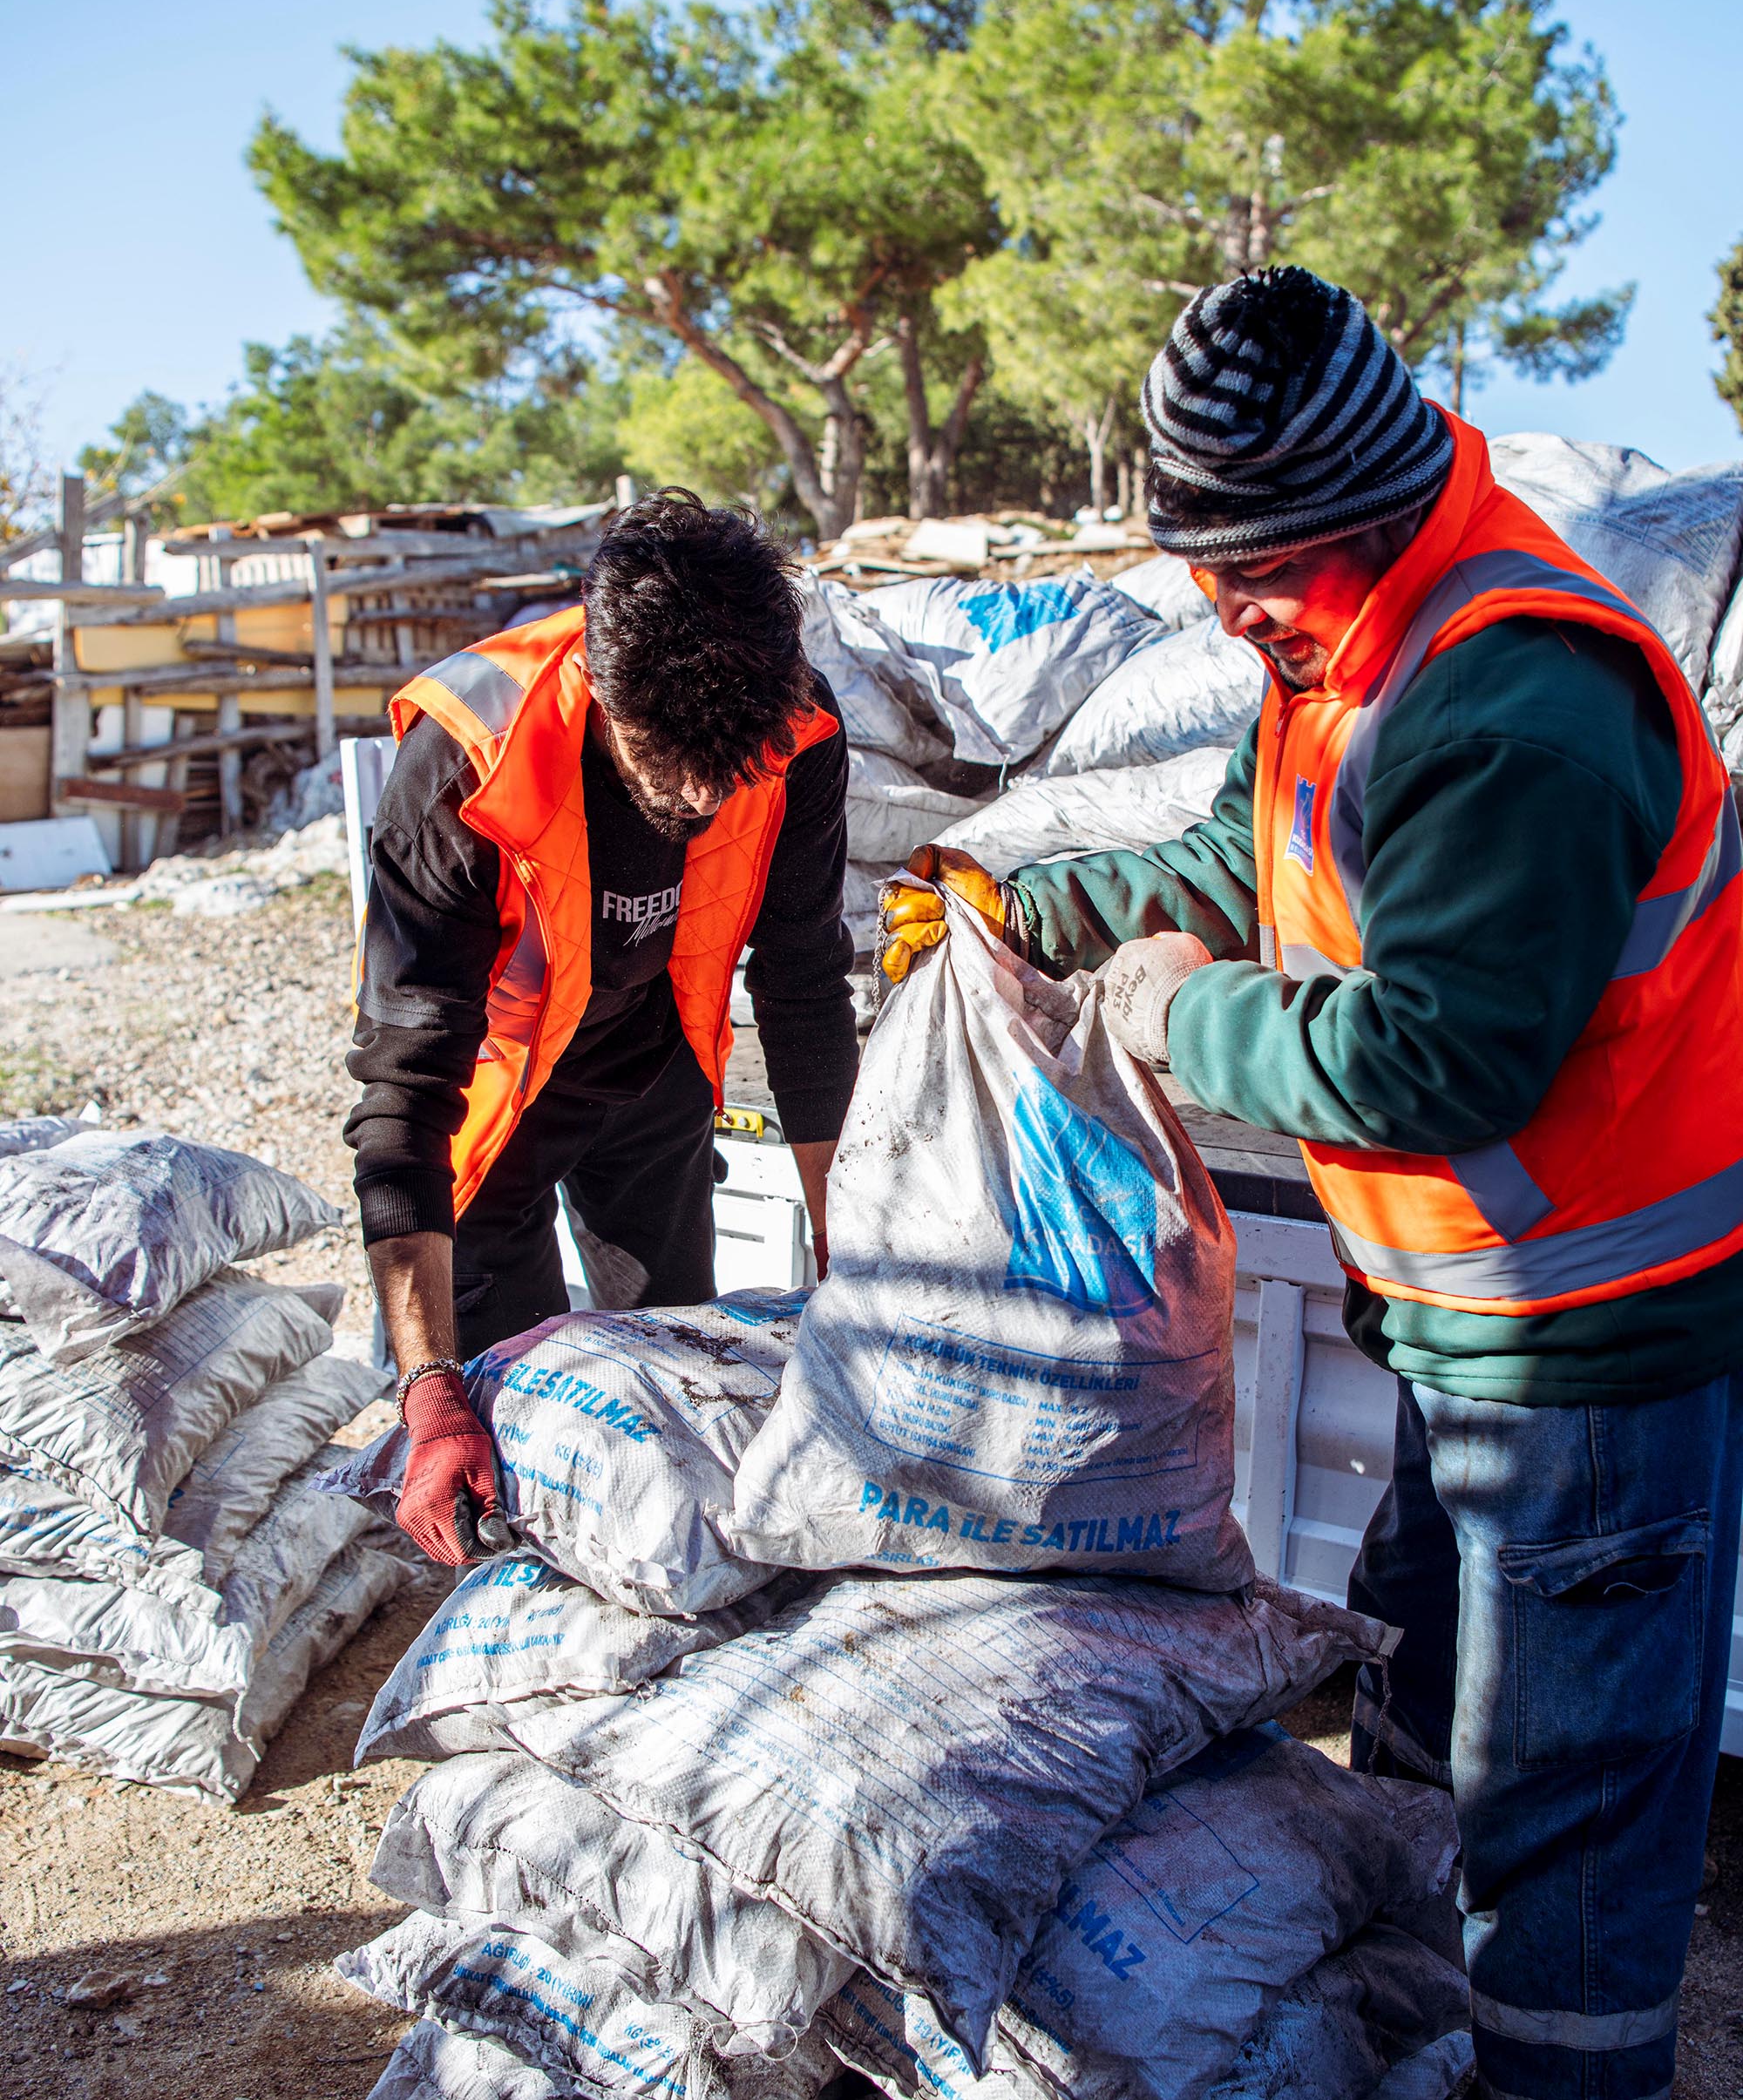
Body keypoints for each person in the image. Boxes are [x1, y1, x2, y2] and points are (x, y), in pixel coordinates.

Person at [883, 267, 1743, 2100]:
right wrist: (1026, 907)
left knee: (1563, 1835)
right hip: (1465, 1336)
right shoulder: (1348, 650)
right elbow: (1239, 852)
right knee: (1425, 1729)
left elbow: (1434, 1059)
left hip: (1588, 1364)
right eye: (1201, 564)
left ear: (1353, 514)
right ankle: (1427, 2038)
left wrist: (1184, 1019)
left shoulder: (1517, 698)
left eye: (1247, 563)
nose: (1220, 602)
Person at [347, 489, 858, 1568]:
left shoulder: (794, 731)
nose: (702, 793)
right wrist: (430, 1394)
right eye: (666, 764)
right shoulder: (469, 754)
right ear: (600, 685)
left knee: (681, 1400)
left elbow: (805, 990)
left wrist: (847, 1257)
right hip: (491, 1117)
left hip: (653, 1070)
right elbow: (405, 1077)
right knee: (514, 1446)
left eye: (731, 771)